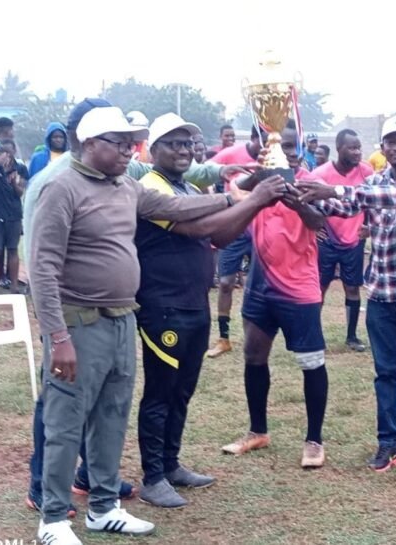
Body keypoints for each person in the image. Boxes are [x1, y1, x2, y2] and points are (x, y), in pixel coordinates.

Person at [29, 106, 243, 544]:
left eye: (133, 143)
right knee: (66, 423)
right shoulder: (61, 187)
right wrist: (58, 337)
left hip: (123, 319)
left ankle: (105, 507)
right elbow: (43, 269)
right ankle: (52, 519)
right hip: (79, 325)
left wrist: (232, 198)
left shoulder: (125, 186)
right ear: (90, 144)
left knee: (112, 416)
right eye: (120, 143)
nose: (130, 151)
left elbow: (176, 207)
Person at [135, 113, 286, 508]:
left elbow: (219, 233)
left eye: (188, 143)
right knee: (160, 392)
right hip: (162, 305)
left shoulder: (183, 185)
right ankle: (152, 476)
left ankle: (171, 465)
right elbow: (197, 229)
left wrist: (255, 199)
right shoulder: (152, 186)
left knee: (183, 389)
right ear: (153, 150)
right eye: (173, 143)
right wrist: (252, 197)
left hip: (192, 303)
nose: (183, 150)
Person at [297, 114, 396, 479]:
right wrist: (299, 193)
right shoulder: (374, 181)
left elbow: (392, 197)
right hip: (381, 292)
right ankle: (389, 443)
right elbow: (344, 206)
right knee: (385, 373)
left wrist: (332, 190)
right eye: (390, 142)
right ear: (382, 148)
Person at [221, 119, 331, 470]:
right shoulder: (257, 185)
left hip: (298, 289)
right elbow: (232, 191)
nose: (281, 151)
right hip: (259, 287)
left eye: (287, 145)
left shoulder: (311, 184)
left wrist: (294, 198)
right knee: (254, 356)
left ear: (297, 149)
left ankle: (314, 440)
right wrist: (258, 179)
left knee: (310, 362)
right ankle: (258, 431)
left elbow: (320, 224)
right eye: (273, 145)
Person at [205, 126, 267, 358]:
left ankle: (254, 336)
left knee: (259, 286)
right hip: (235, 229)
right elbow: (207, 168)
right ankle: (224, 339)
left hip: (261, 229)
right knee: (225, 283)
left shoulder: (276, 158)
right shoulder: (232, 154)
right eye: (265, 142)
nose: (269, 148)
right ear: (253, 139)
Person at [308, 128, 373, 351]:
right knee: (319, 288)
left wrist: (370, 225)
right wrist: (314, 228)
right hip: (327, 241)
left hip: (354, 240)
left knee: (352, 288)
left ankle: (352, 337)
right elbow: (309, 203)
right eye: (352, 148)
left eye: (359, 148)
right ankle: (314, 335)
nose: (357, 152)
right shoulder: (320, 173)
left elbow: (373, 199)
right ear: (339, 149)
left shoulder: (366, 171)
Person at [0, 139, 28, 294]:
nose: (6, 155)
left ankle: (14, 286)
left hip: (14, 215)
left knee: (13, 249)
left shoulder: (21, 168)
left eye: (9, 152)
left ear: (14, 152)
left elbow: (20, 193)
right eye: (2, 152)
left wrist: (14, 183)